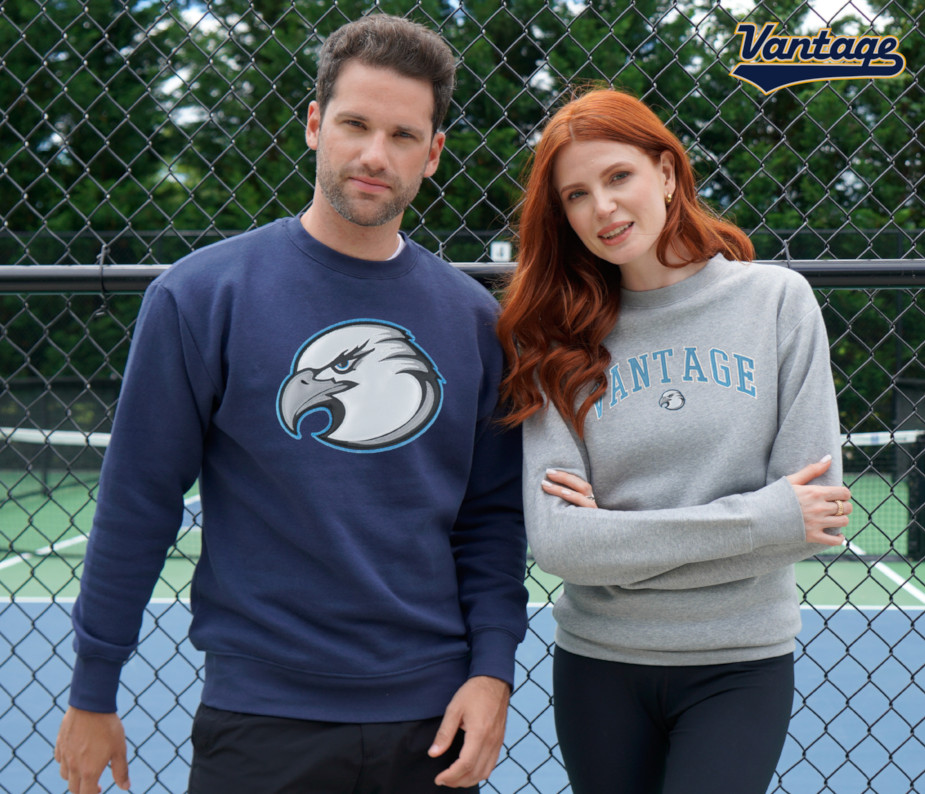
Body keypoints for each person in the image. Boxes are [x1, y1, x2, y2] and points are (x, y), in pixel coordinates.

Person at [54, 14, 527, 794]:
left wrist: (493, 673)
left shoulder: (473, 322)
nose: (375, 155)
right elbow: (138, 498)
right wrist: (93, 688)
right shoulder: (202, 297)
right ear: (314, 126)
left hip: (432, 720)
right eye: (354, 124)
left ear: (434, 154)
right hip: (261, 721)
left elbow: (489, 519)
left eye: (404, 135)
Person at [495, 88, 852, 794]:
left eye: (617, 176)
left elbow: (816, 518)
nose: (601, 207)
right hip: (598, 666)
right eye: (575, 194)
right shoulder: (555, 335)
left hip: (738, 662)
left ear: (664, 173)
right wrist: (760, 519)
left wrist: (621, 543)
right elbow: (563, 546)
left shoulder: (776, 303)